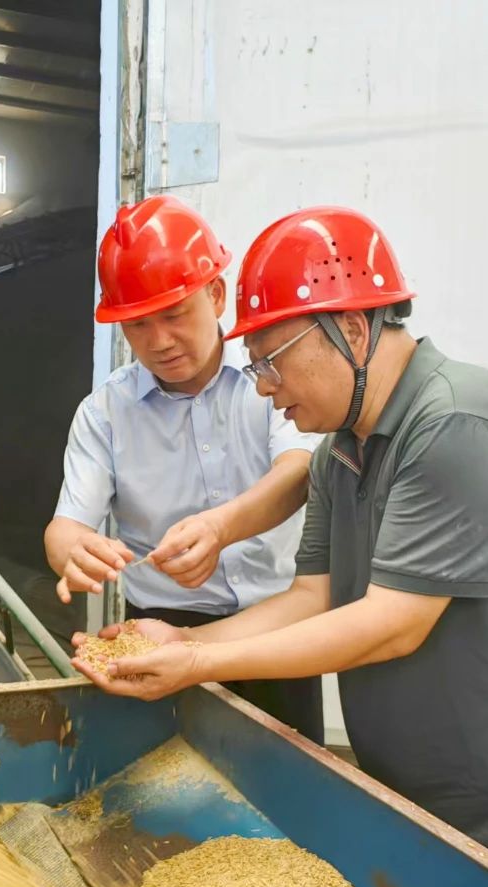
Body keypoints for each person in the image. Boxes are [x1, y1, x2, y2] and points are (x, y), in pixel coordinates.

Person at [72, 206, 488, 887]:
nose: (263, 388)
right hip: (428, 807)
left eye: (271, 360)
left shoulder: (457, 423)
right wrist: (184, 640)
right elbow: (312, 597)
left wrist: (197, 663)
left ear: (350, 330)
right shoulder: (339, 455)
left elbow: (392, 624)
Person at [46, 195, 323, 743]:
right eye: (137, 324)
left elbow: (299, 472)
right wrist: (71, 553)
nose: (159, 342)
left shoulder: (271, 380)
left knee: (290, 779)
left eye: (174, 314)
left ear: (215, 294)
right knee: (165, 779)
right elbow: (66, 526)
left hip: (278, 629)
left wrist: (222, 528)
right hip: (162, 633)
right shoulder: (105, 413)